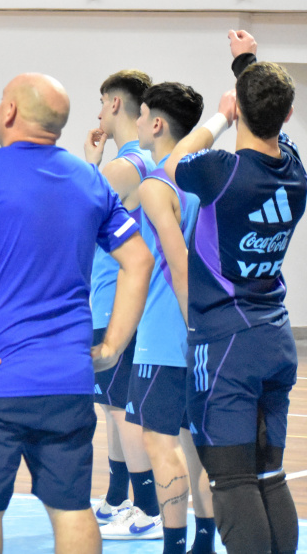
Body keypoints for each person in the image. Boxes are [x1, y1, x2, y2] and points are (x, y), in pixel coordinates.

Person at [0, 73, 153, 554]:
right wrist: (112, 347)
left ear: (9, 112)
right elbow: (139, 260)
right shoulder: (89, 178)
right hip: (67, 381)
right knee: (71, 510)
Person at [165, 30, 304, 554]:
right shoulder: (295, 172)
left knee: (231, 482)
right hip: (274, 339)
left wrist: (220, 117)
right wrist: (246, 63)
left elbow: (174, 161)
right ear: (288, 118)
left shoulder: (222, 172)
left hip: (226, 345)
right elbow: (267, 110)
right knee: (268, 476)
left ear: (241, 112)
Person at [100, 82, 216, 553]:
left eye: (144, 112)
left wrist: (190, 325)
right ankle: (203, 542)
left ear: (156, 124)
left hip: (166, 333)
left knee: (159, 445)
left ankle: (171, 543)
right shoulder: (201, 179)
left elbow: (179, 261)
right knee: (191, 447)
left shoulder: (153, 186)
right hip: (198, 333)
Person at [83, 70, 161, 534]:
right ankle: (116, 498)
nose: (97, 114)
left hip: (116, 303)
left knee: (119, 409)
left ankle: (148, 507)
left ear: (115, 104)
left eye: (100, 104)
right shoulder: (137, 162)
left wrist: (90, 163)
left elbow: (75, 212)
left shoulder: (125, 167)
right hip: (115, 300)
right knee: (111, 405)